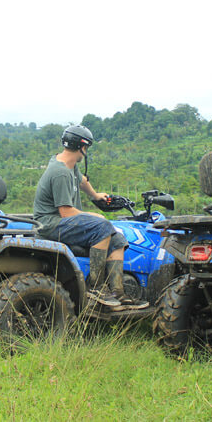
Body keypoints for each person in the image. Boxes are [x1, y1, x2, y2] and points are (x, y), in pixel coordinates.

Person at [33, 125, 148, 311]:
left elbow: (82, 180)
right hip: (50, 224)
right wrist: (93, 215)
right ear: (83, 147)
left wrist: (96, 195)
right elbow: (66, 212)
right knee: (101, 226)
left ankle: (118, 292)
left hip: (63, 221)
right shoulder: (60, 172)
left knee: (117, 239)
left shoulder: (68, 164)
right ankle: (96, 288)